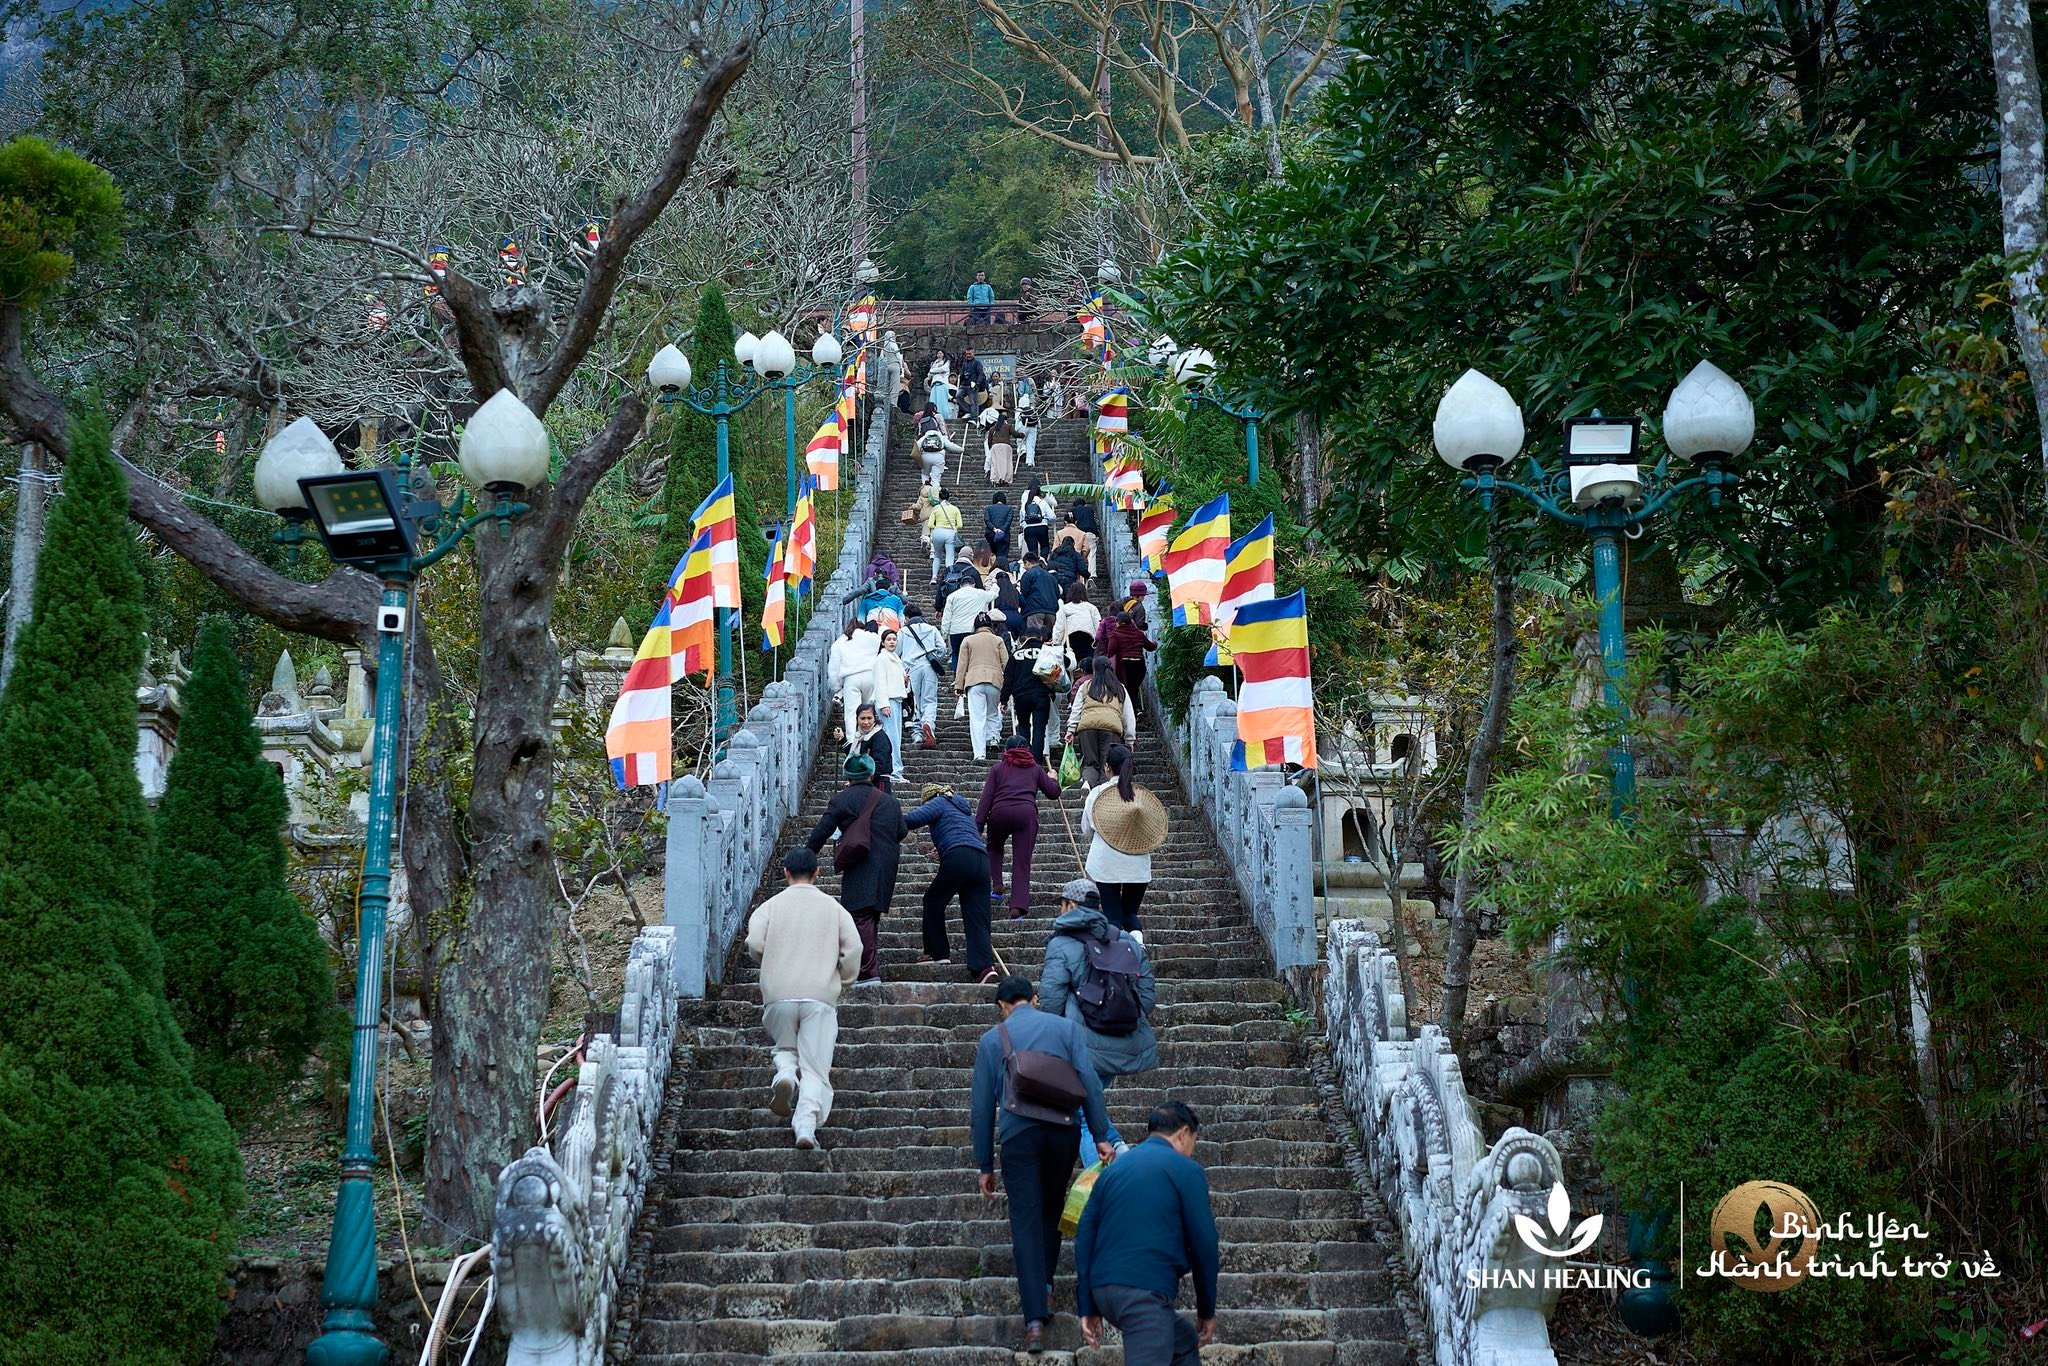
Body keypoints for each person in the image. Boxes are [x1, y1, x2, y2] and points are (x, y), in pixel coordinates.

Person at [970, 977, 1115, 1354]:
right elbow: (1089, 1082)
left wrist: (985, 1162)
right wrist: (1100, 1133)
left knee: (1025, 1219)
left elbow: (982, 1107)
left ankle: (1034, 1319)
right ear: (1034, 999)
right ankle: (1047, 1287)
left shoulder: (993, 1040)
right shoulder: (1066, 1029)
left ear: (1001, 1005)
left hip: (1019, 1136)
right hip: (1062, 1131)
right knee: (1051, 1209)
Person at [1075, 1100, 1220, 1364]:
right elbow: (1205, 1244)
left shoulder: (1113, 1171)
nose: (1190, 1152)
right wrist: (1206, 1310)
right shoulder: (1186, 1170)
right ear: (1183, 1134)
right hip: (1143, 1293)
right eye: (1193, 1144)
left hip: (1104, 1289)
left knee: (1183, 1342)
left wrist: (1088, 1304)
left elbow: (1085, 1235)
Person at [745, 848, 863, 1150]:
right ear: (817, 873)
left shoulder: (769, 907)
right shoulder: (833, 909)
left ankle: (785, 1073)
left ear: (785, 872)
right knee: (815, 1065)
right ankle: (805, 1125)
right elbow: (854, 950)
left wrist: (770, 963)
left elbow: (755, 942)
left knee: (785, 1045)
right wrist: (843, 979)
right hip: (819, 997)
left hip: (778, 994)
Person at [1040, 879, 1156, 1150]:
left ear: (1070, 905)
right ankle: (1116, 1149)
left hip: (1082, 1045)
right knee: (1082, 1102)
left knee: (1080, 1110)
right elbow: (1148, 995)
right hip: (1125, 1038)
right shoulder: (1126, 940)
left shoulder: (1061, 943)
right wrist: (1118, 1015)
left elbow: (1051, 999)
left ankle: (1107, 1166)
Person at [806, 755, 905, 985]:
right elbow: (902, 831)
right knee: (870, 916)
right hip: (887, 864)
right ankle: (867, 966)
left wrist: (805, 858)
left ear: (848, 777)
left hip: (860, 863)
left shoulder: (843, 800)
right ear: (871, 775)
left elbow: (822, 831)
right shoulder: (890, 801)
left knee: (859, 915)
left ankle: (867, 972)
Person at [905, 782, 996, 982]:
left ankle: (937, 953)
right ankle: (984, 967)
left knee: (932, 901)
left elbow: (912, 819)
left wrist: (885, 818)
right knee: (976, 915)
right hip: (981, 860)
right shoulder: (962, 810)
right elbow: (959, 832)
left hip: (959, 856)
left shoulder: (938, 802)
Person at [1083, 743, 1163, 939]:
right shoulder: (1141, 797)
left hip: (1105, 864)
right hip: (1137, 865)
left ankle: (1117, 957)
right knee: (1130, 914)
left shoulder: (1097, 794)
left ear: (1107, 767)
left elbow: (1087, 829)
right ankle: (1138, 948)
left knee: (1112, 916)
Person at [978, 734, 1061, 919]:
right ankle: (1018, 907)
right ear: (1027, 750)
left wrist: (977, 826)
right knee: (1021, 861)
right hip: (1026, 813)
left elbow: (986, 800)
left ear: (1006, 751)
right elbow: (1053, 792)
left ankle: (997, 885)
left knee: (994, 847)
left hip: (999, 812)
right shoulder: (1035, 768)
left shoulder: (997, 769)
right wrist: (1053, 778)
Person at [1065, 657, 1136, 789]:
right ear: (1111, 668)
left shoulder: (1085, 686)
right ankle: (1104, 791)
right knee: (1107, 763)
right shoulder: (1120, 688)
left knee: (1090, 763)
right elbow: (1128, 716)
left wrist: (1071, 730)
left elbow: (1076, 709)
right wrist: (1130, 740)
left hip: (1087, 728)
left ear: (1094, 670)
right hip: (1111, 728)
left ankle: (1087, 783)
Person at [954, 612, 1010, 760]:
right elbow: (1007, 663)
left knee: (977, 718)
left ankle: (979, 753)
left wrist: (959, 686)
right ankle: (992, 737)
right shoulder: (998, 640)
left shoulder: (968, 640)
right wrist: (1010, 685)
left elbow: (962, 666)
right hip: (995, 680)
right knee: (992, 712)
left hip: (974, 681)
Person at [1001, 622, 1058, 763]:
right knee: (1039, 729)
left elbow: (1008, 678)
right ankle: (1036, 760)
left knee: (1024, 726)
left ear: (1025, 638)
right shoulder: (1046, 652)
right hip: (1041, 695)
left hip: (1021, 696)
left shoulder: (1016, 655)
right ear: (1040, 637)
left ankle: (1024, 756)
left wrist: (1004, 700)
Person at [899, 603, 948, 749]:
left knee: (914, 702)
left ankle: (917, 734)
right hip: (928, 667)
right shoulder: (931, 629)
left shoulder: (903, 631)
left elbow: (896, 653)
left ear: (907, 617)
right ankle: (929, 723)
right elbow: (943, 649)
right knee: (930, 699)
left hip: (910, 669)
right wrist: (934, 657)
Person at [829, 618, 881, 742]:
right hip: (870, 676)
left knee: (852, 714)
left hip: (851, 679)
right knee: (870, 711)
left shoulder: (839, 643)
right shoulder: (873, 638)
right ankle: (870, 740)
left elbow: (834, 670)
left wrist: (837, 688)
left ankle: (853, 742)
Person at [1102, 609, 1158, 720]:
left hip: (1125, 665)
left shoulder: (1116, 634)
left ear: (1117, 622)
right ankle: (1137, 710)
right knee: (1133, 689)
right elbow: (1150, 647)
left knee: (1126, 689)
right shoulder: (1138, 633)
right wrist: (1156, 643)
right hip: (1140, 665)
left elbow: (1110, 651)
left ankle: (1128, 714)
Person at [871, 629, 910, 780]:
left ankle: (895, 768)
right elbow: (879, 682)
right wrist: (883, 704)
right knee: (890, 736)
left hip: (896, 700)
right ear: (882, 642)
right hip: (887, 702)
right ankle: (892, 769)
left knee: (895, 736)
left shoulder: (895, 658)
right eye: (889, 639)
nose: (892, 642)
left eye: (894, 639)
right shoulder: (882, 659)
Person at [1052, 578, 1101, 668]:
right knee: (1088, 663)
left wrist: (1056, 642)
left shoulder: (1065, 608)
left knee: (1072, 664)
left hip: (1071, 639)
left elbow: (1060, 627)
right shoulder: (1091, 607)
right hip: (1088, 639)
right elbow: (1098, 626)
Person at [926, 487, 963, 583]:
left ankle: (934, 577)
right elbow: (960, 525)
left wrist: (937, 526)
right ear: (949, 497)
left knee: (937, 555)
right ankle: (949, 576)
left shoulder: (936, 508)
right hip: (950, 533)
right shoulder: (955, 509)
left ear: (939, 497)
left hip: (937, 532)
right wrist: (953, 528)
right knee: (950, 556)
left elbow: (930, 524)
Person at [1017, 550, 1060, 622]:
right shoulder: (1051, 576)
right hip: (1051, 611)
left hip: (1034, 610)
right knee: (1048, 633)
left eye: (1024, 565)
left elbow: (1024, 592)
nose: (1024, 567)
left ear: (1027, 562)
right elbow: (1057, 593)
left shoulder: (1028, 574)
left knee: (1034, 632)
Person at [1054, 509, 1096, 579]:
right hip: (1076, 560)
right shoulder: (1082, 533)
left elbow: (1055, 549)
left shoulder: (1059, 533)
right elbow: (1086, 549)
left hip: (1061, 562)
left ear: (1065, 522)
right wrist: (1083, 558)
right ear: (1076, 522)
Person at [1021, 478, 1055, 560]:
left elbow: (1022, 517)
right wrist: (1045, 518)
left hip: (1028, 528)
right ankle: (1043, 560)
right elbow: (1053, 516)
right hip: (1042, 527)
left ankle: (1034, 563)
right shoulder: (1042, 502)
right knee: (1045, 546)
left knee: (1032, 550)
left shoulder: (1026, 504)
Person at [1071, 496, 1101, 576]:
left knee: (1077, 552)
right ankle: (1092, 574)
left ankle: (1078, 573)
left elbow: (1070, 523)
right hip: (1091, 533)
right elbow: (1097, 523)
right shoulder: (1091, 510)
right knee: (1092, 553)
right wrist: (1097, 535)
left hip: (1078, 533)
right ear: (1085, 505)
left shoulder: (1073, 511)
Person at [985, 411, 1018, 486]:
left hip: (995, 446)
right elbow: (1016, 434)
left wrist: (991, 447)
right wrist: (1022, 435)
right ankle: (1005, 479)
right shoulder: (1008, 426)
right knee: (1006, 463)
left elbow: (989, 440)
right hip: (1006, 446)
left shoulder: (993, 428)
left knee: (995, 463)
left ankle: (996, 479)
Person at [983, 490, 1015, 557]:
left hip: (991, 534)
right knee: (1002, 553)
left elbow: (987, 520)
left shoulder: (989, 508)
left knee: (992, 553)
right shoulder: (1009, 509)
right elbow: (1008, 521)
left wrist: (994, 529)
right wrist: (1002, 530)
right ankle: (1001, 565)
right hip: (1004, 534)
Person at [927, 350, 955, 419]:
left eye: (940, 353)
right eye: (938, 353)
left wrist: (932, 371)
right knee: (933, 402)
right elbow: (929, 375)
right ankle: (933, 417)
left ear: (943, 354)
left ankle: (944, 417)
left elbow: (944, 369)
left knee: (942, 403)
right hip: (934, 384)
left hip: (942, 383)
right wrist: (931, 372)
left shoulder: (946, 362)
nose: (939, 355)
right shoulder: (934, 363)